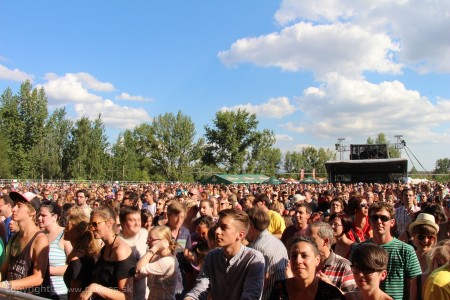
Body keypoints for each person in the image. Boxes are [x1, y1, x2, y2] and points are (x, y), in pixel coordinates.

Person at [185, 209, 265, 300]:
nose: (217, 231)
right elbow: (201, 287)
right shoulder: (211, 257)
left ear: (240, 235)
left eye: (224, 227)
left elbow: (251, 295)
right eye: (218, 226)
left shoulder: (253, 259)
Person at [359, 201, 422, 300]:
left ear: (392, 222)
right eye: (374, 218)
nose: (379, 222)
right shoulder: (359, 249)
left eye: (383, 218)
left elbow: (414, 283)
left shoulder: (406, 250)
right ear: (369, 221)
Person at [80, 206, 135, 300]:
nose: (92, 228)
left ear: (109, 223)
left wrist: (96, 288)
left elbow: (127, 296)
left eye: (95, 224)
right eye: (91, 224)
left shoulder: (121, 251)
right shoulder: (105, 248)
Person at [0, 192, 50, 297]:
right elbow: (4, 270)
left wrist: (7, 285)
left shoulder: (40, 239)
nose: (14, 209)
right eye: (15, 205)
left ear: (32, 212)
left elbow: (38, 278)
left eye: (19, 206)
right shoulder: (14, 237)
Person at [246, 207, 288, 300]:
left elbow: (261, 283)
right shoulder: (273, 240)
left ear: (251, 226)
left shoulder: (258, 248)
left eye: (244, 227)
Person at [38, 200, 73, 299]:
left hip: (60, 293)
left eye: (44, 215)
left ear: (55, 217)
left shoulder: (64, 235)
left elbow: (72, 266)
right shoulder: (40, 236)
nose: (40, 218)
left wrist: (47, 270)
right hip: (41, 292)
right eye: (39, 215)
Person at [307, 221, 356, 293]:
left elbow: (352, 297)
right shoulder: (305, 263)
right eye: (306, 239)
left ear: (325, 241)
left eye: (312, 239)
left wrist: (331, 288)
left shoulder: (344, 266)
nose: (307, 243)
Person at [63, 206, 99, 300]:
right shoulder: (87, 253)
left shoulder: (77, 259)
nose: (65, 230)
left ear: (79, 231)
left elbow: (75, 293)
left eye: (68, 227)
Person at [136, 226, 182, 300]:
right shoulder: (158, 257)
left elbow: (137, 269)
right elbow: (137, 275)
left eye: (151, 239)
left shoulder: (167, 261)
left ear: (163, 241)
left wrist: (155, 248)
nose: (147, 242)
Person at [119, 205, 149, 300]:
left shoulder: (145, 234)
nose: (137, 224)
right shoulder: (118, 241)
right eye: (132, 220)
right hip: (125, 295)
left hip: (143, 294)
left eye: (139, 220)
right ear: (123, 223)